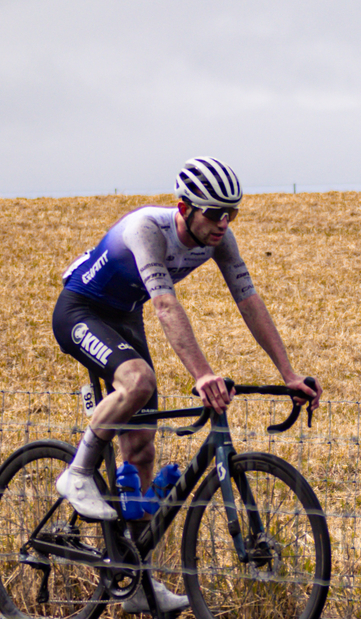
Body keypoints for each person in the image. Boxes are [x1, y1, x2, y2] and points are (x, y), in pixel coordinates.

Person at [51, 157, 321, 533]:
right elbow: (164, 304)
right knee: (138, 380)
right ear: (184, 208)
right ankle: (77, 473)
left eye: (232, 213)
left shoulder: (220, 239)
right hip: (81, 310)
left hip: (125, 315)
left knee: (142, 452)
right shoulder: (147, 229)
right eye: (214, 213)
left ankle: (137, 586)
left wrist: (288, 374)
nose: (223, 223)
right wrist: (203, 374)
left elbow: (249, 301)